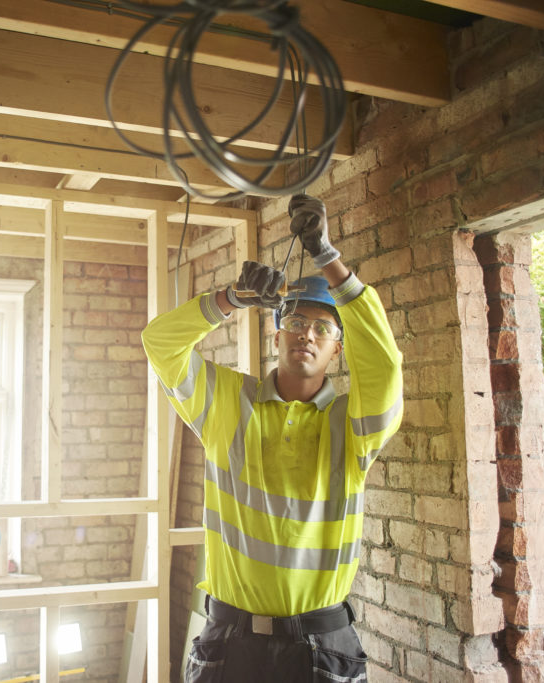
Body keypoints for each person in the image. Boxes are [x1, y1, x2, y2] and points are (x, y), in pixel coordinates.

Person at [141, 195, 403, 682]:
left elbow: (385, 365)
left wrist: (327, 256)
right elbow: (159, 343)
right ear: (277, 333)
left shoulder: (352, 425)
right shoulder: (227, 402)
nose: (308, 334)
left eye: (323, 328)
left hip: (320, 647)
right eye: (298, 322)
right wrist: (231, 299)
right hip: (230, 642)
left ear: (336, 349)